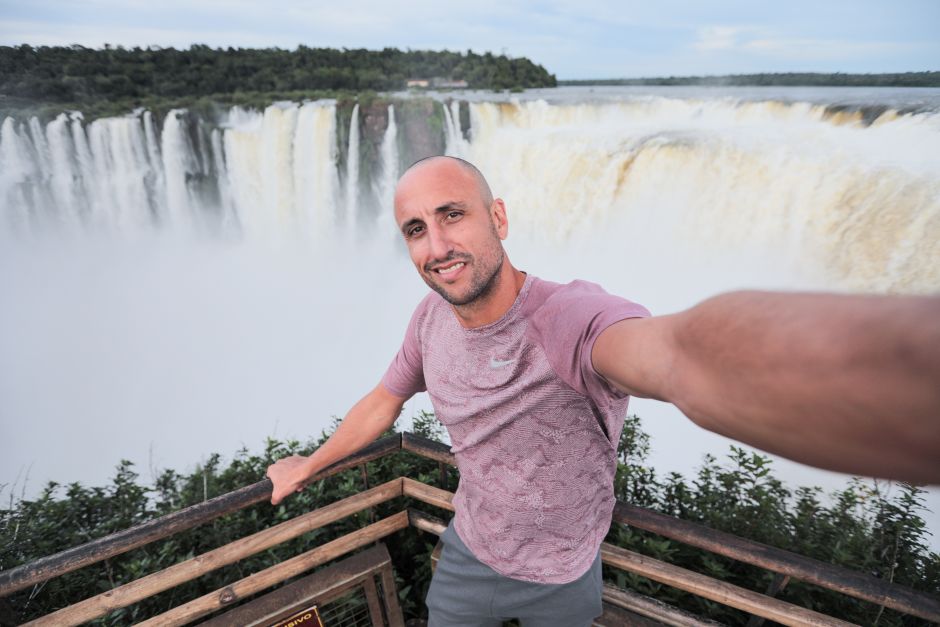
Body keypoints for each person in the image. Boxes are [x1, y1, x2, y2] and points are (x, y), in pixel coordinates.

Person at [267, 156, 940, 626]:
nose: (437, 244)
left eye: (453, 215)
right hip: (470, 548)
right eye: (416, 229)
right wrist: (309, 463)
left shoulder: (570, 318)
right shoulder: (429, 320)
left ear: (498, 216)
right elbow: (384, 400)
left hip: (564, 569)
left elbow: (680, 355)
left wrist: (900, 374)